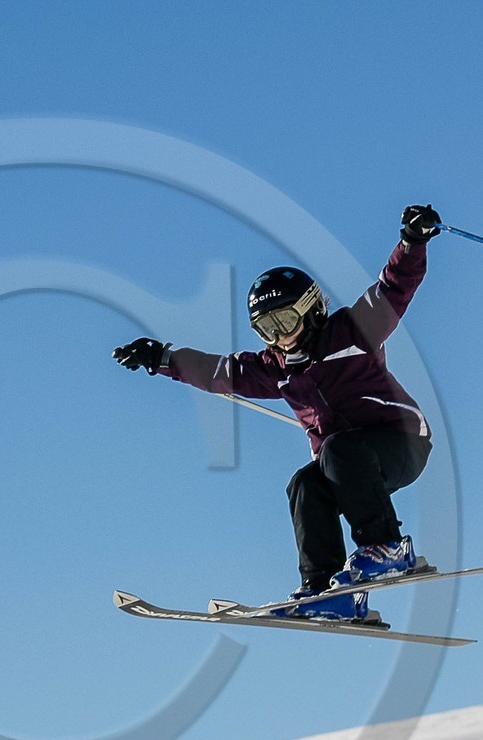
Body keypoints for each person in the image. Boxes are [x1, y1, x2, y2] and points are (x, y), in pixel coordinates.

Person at [111, 204, 442, 621]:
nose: (280, 336)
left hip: (402, 442)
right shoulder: (275, 370)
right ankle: (326, 592)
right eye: (267, 329)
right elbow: (217, 372)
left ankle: (389, 547)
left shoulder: (353, 331)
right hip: (348, 462)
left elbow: (394, 287)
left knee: (336, 451)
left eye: (285, 321)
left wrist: (412, 242)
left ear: (311, 309)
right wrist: (161, 357)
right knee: (306, 483)